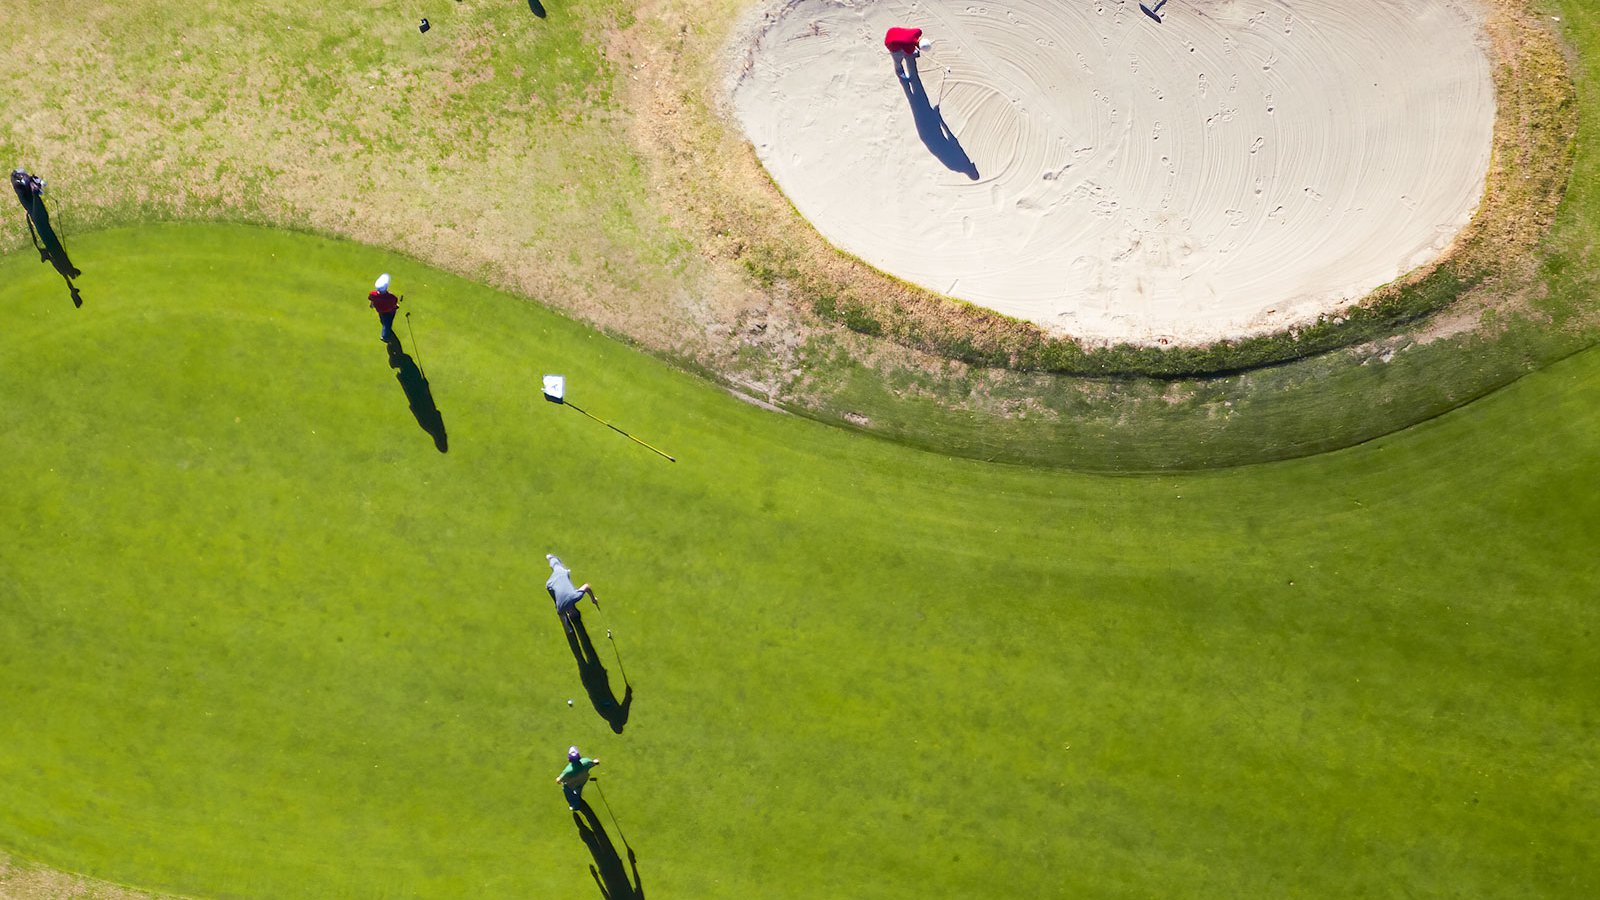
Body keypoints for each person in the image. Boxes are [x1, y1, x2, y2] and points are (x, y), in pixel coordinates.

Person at [546, 553, 597, 634]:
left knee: (556, 566)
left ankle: (551, 558)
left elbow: (586, 586)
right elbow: (562, 617)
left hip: (553, 582)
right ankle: (551, 558)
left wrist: (593, 599)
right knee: (556, 566)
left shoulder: (574, 598)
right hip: (555, 580)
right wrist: (567, 629)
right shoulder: (563, 606)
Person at [557, 745, 601, 811]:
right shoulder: (585, 761)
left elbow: (560, 779)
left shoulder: (568, 770)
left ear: (569, 759)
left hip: (571, 784)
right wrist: (595, 762)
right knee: (579, 788)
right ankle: (577, 796)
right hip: (583, 780)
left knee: (568, 792)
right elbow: (592, 763)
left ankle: (575, 805)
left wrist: (558, 779)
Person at [369, 273, 401, 343]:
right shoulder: (392, 297)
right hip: (390, 311)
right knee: (388, 324)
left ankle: (383, 322)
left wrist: (372, 305)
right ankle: (384, 336)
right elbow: (394, 304)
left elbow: (372, 300)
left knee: (382, 318)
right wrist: (396, 307)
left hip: (380, 310)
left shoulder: (373, 294)